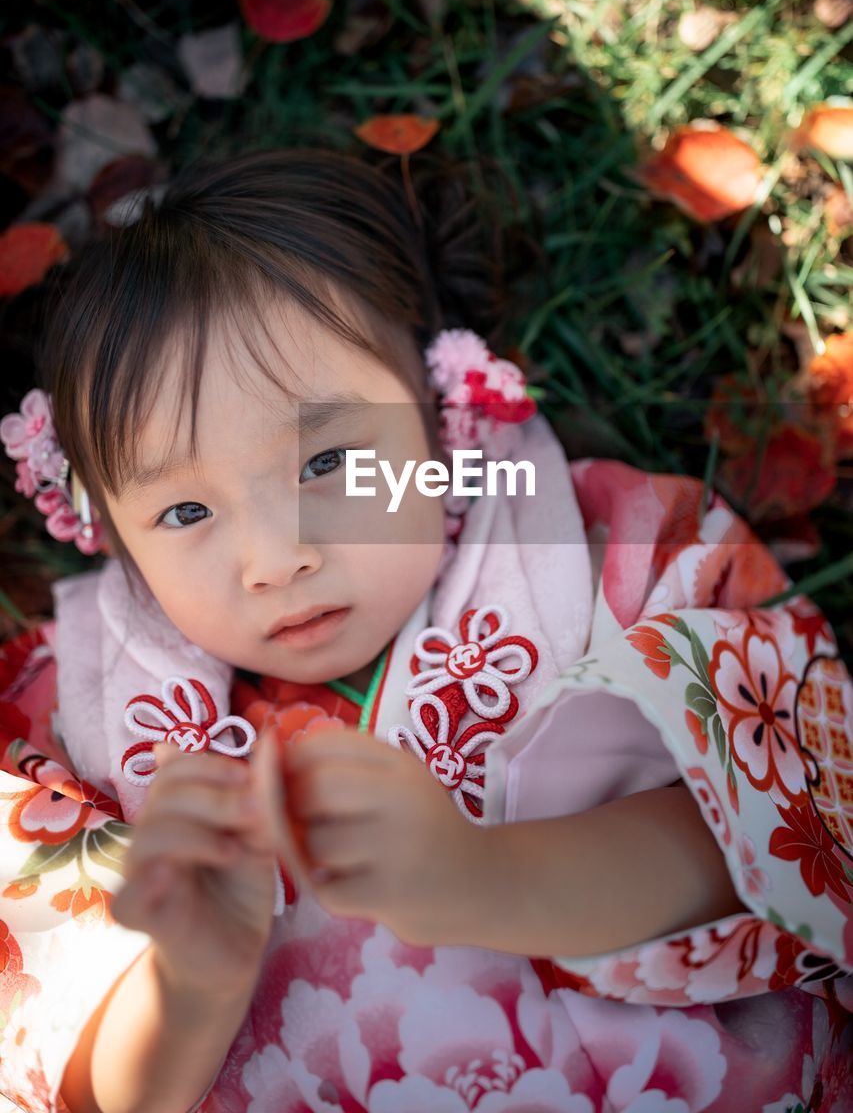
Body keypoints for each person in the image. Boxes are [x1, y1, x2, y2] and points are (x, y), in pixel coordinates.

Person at [0, 148, 851, 1113]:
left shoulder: (618, 558)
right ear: (111, 536)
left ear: (441, 417)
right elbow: (75, 1083)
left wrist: (483, 875)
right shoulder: (62, 731)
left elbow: (761, 839)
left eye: (325, 461)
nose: (274, 559)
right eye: (185, 515)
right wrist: (186, 983)